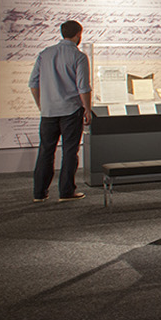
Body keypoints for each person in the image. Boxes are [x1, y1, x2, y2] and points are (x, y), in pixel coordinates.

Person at [29, 19, 92, 202]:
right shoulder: (79, 56)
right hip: (71, 111)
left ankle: (39, 193)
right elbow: (83, 87)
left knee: (45, 151)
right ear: (79, 34)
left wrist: (41, 104)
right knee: (70, 151)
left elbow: (33, 83)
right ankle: (66, 191)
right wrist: (87, 109)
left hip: (48, 112)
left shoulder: (45, 53)